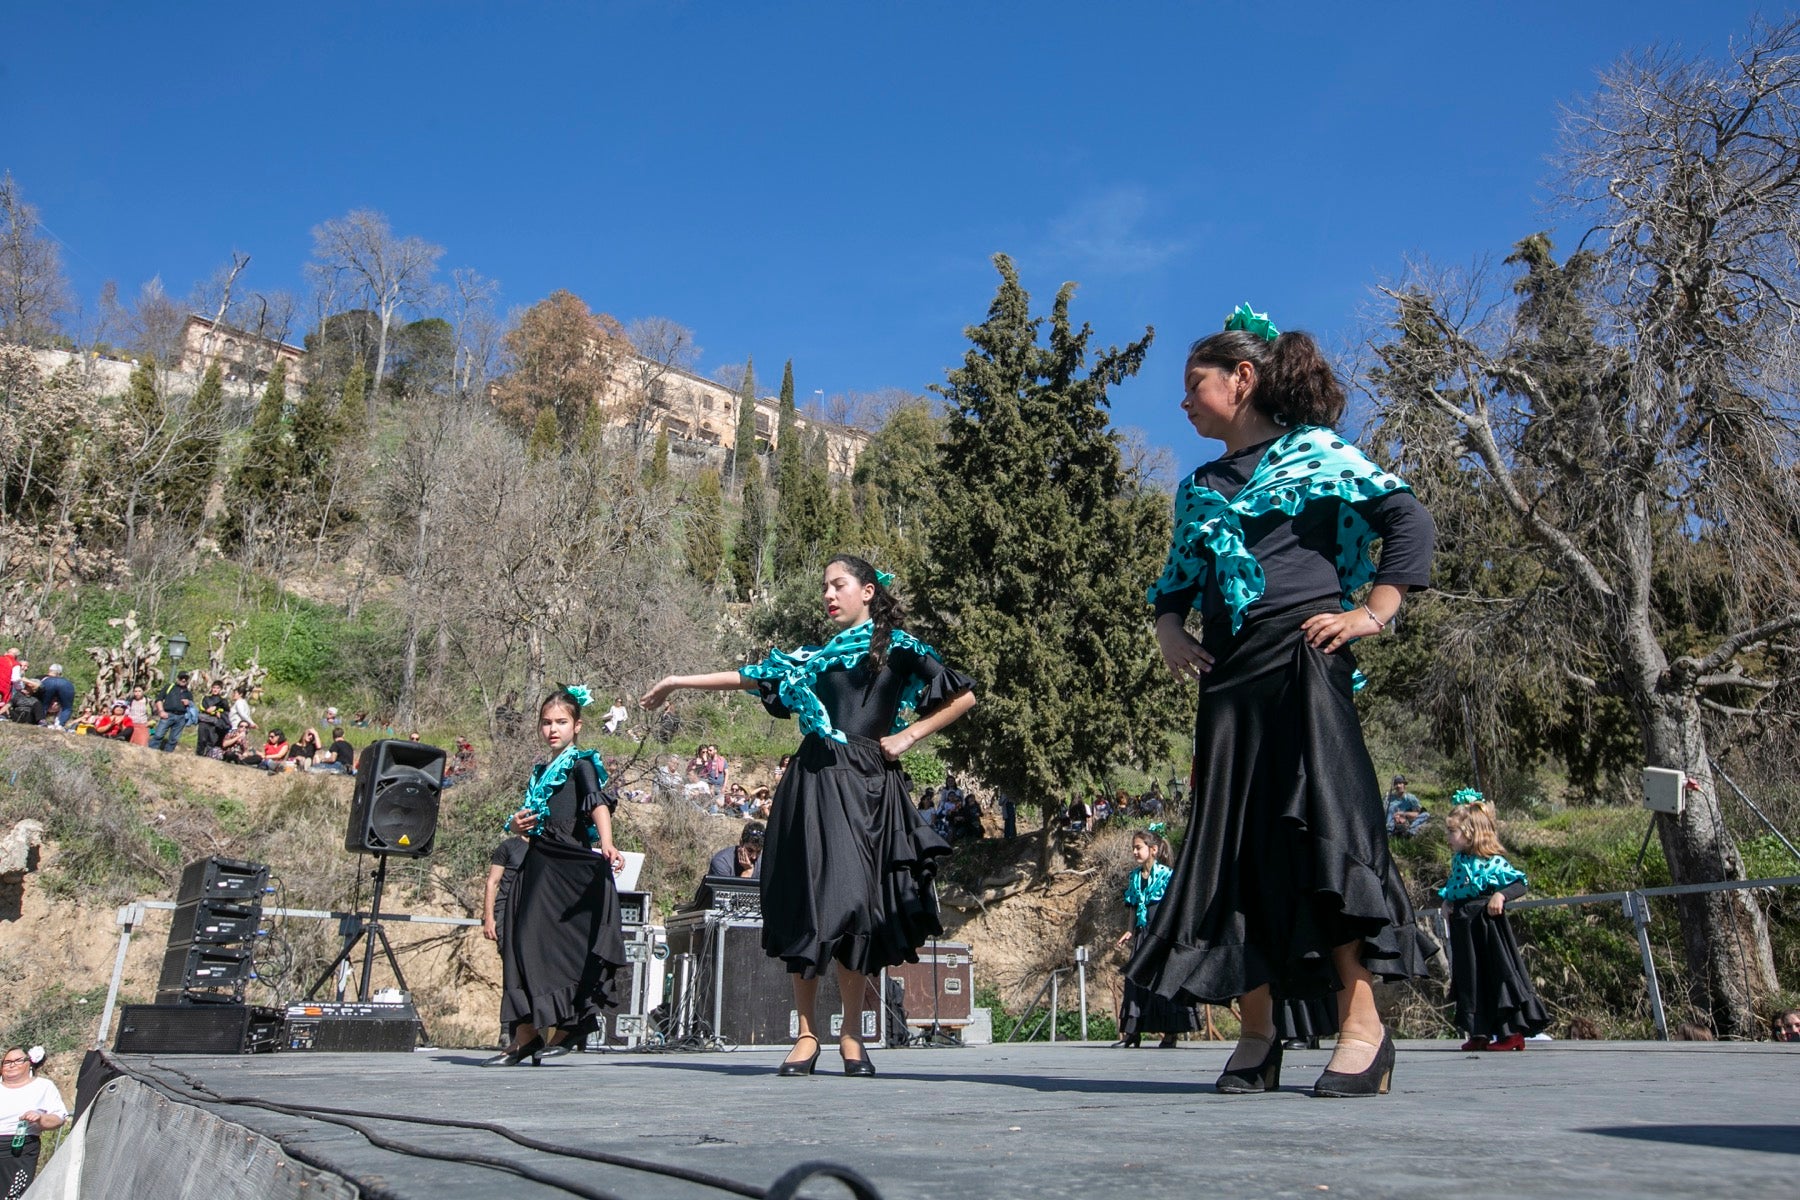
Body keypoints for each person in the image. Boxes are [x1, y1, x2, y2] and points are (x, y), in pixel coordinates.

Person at [1129, 304, 1436, 1099]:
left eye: (1194, 385)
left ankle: (1364, 1031)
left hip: (1306, 663)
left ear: (1243, 378)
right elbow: (1177, 582)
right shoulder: (1198, 487)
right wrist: (1169, 627)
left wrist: (1373, 611)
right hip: (1228, 681)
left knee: (1323, 840)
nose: (1185, 403)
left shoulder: (1318, 454)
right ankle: (1258, 1035)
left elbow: (1405, 514)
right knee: (1234, 852)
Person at [642, 554, 976, 1078]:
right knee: (808, 905)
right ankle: (805, 1033)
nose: (828, 594)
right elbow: (748, 675)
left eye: (838, 585)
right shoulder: (813, 658)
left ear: (867, 592)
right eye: (824, 587)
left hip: (867, 786)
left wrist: (908, 736)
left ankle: (849, 1032)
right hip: (812, 784)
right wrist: (678, 680)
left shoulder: (898, 647)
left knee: (853, 908)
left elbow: (963, 695)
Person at [489, 686, 626, 1067]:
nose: (553, 729)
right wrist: (517, 823)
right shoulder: (539, 770)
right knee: (518, 939)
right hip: (539, 859)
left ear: (576, 726)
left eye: (561, 722)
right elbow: (527, 819)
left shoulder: (581, 763)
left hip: (569, 861)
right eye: (547, 723)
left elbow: (597, 803)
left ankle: (572, 1023)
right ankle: (527, 1033)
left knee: (557, 943)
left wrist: (608, 844)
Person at [1440, 792, 1549, 1052]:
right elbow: (1456, 888)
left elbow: (1519, 882)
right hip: (1464, 930)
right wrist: (1448, 902)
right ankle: (1479, 1031)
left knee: (1495, 975)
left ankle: (1510, 1034)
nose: (1448, 837)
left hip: (1486, 928)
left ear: (1469, 832)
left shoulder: (1492, 862)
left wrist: (1500, 894)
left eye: (1451, 831)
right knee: (1470, 977)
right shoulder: (1459, 862)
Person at [1114, 830, 1201, 1048]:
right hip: (1143, 934)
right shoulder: (1135, 876)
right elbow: (1133, 905)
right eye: (1133, 848)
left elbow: (1174, 907)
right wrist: (1129, 930)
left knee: (1162, 980)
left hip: (1161, 933)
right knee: (1134, 979)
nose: (1135, 851)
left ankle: (1170, 1032)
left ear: (1152, 849)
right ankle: (1132, 1033)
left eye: (1138, 847)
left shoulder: (1166, 875)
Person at [1, 1046, 66, 1197]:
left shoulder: (43, 1086)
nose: (11, 1065)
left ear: (30, 1062)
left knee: (13, 1194)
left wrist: (40, 1118)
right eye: (7, 1062)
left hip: (20, 1147)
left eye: (18, 1060)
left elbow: (59, 1118)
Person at [150, 671, 193, 751]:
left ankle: (168, 755)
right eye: (181, 678)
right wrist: (161, 711)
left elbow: (192, 706)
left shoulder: (188, 692)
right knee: (158, 735)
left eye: (185, 679)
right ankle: (151, 752)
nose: (183, 680)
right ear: (177, 678)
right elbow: (159, 699)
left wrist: (189, 702)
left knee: (174, 739)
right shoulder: (169, 687)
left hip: (181, 717)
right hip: (168, 714)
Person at [195, 681, 231, 758]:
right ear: (211, 688)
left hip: (215, 723)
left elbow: (226, 709)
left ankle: (209, 756)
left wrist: (216, 709)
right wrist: (215, 712)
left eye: (218, 688)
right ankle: (198, 756)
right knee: (201, 740)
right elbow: (203, 708)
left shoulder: (223, 700)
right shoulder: (206, 698)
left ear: (221, 689)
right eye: (214, 687)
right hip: (204, 721)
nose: (215, 690)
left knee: (211, 741)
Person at [35, 666, 74, 730]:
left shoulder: (40, 677)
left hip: (48, 683)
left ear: (49, 670)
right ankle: (60, 725)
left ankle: (41, 722)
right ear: (60, 673)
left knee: (43, 705)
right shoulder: (65, 681)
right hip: (65, 684)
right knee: (67, 707)